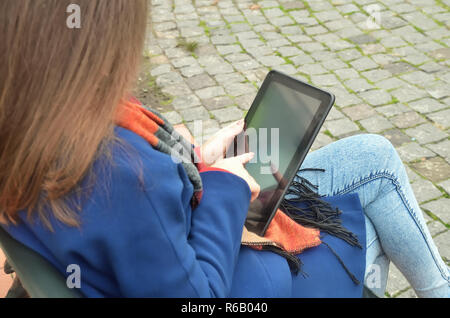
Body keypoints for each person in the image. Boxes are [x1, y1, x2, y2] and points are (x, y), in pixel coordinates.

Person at [0, 0, 448, 298]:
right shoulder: (120, 173)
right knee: (374, 205)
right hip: (258, 282)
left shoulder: (34, 132)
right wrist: (224, 186)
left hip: (206, 231)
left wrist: (194, 163)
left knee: (372, 157)